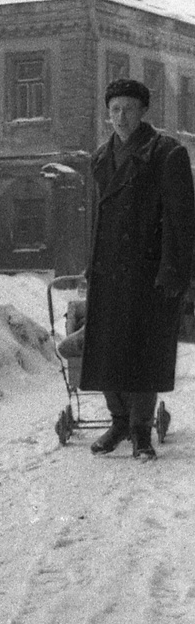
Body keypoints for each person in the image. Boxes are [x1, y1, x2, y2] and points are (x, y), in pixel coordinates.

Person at [81, 78, 195, 460]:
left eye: (129, 109)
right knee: (107, 348)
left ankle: (140, 430)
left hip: (149, 274)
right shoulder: (100, 158)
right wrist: (90, 264)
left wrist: (173, 271)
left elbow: (181, 220)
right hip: (109, 271)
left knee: (143, 352)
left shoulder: (167, 154)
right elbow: (99, 219)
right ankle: (118, 421)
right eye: (114, 110)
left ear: (144, 111)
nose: (121, 117)